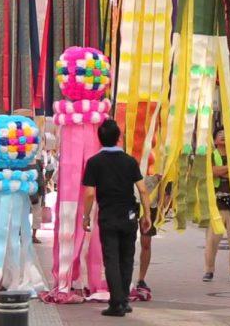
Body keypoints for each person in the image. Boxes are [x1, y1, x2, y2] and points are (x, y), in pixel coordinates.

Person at [82, 120, 152, 317]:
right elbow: (143, 190)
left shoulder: (94, 162)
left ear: (99, 139)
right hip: (129, 215)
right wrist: (147, 215)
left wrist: (86, 217)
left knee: (111, 259)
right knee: (127, 257)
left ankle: (116, 303)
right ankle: (124, 301)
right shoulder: (130, 161)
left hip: (108, 216)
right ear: (119, 137)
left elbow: (88, 194)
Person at [203, 128, 230, 283]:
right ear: (214, 140)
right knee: (212, 240)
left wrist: (223, 172)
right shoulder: (212, 156)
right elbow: (212, 171)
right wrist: (229, 169)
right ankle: (208, 270)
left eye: (225, 135)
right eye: (219, 135)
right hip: (216, 204)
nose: (223, 137)